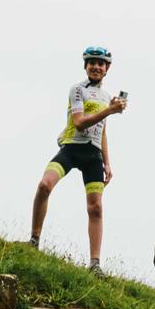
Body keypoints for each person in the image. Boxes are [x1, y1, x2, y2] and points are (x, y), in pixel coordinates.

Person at [30, 45, 127, 271]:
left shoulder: (105, 97)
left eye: (100, 63)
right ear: (85, 66)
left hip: (93, 155)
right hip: (71, 148)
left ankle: (94, 263)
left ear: (106, 69)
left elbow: (102, 129)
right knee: (45, 185)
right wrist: (109, 111)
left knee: (95, 208)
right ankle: (34, 240)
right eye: (91, 62)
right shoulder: (77, 90)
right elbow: (80, 122)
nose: (95, 66)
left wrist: (107, 161)